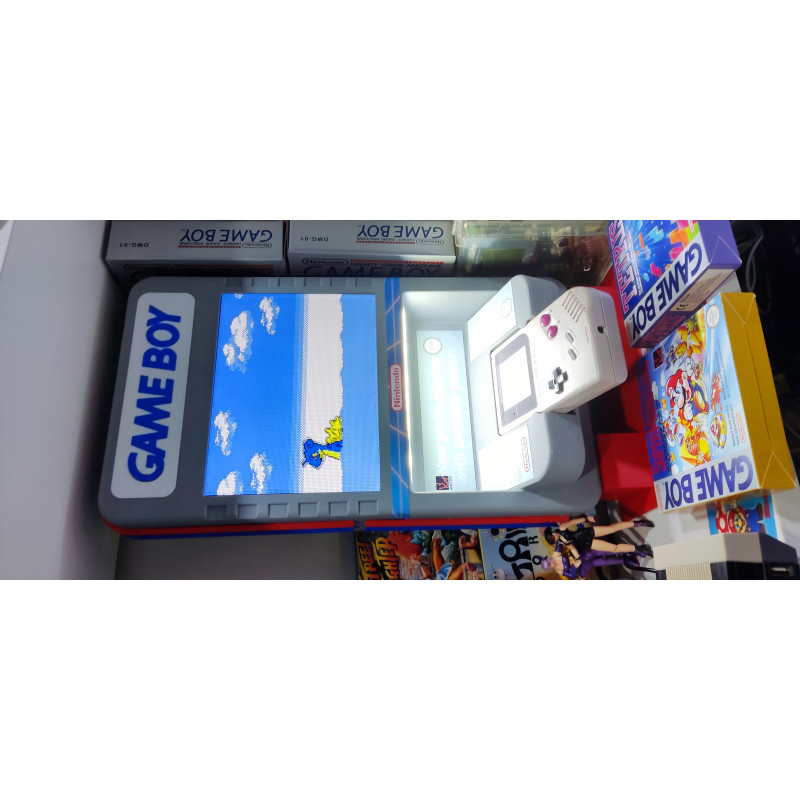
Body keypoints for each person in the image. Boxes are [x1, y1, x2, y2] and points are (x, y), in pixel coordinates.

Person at [543, 514, 654, 561]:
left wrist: (586, 519)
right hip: (587, 543)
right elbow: (572, 548)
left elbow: (574, 522)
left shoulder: (561, 527)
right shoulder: (561, 542)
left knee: (612, 528)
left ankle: (638, 523)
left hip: (586, 533)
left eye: (552, 536)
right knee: (614, 548)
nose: (553, 538)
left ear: (552, 533)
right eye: (552, 539)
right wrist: (577, 558)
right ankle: (640, 548)